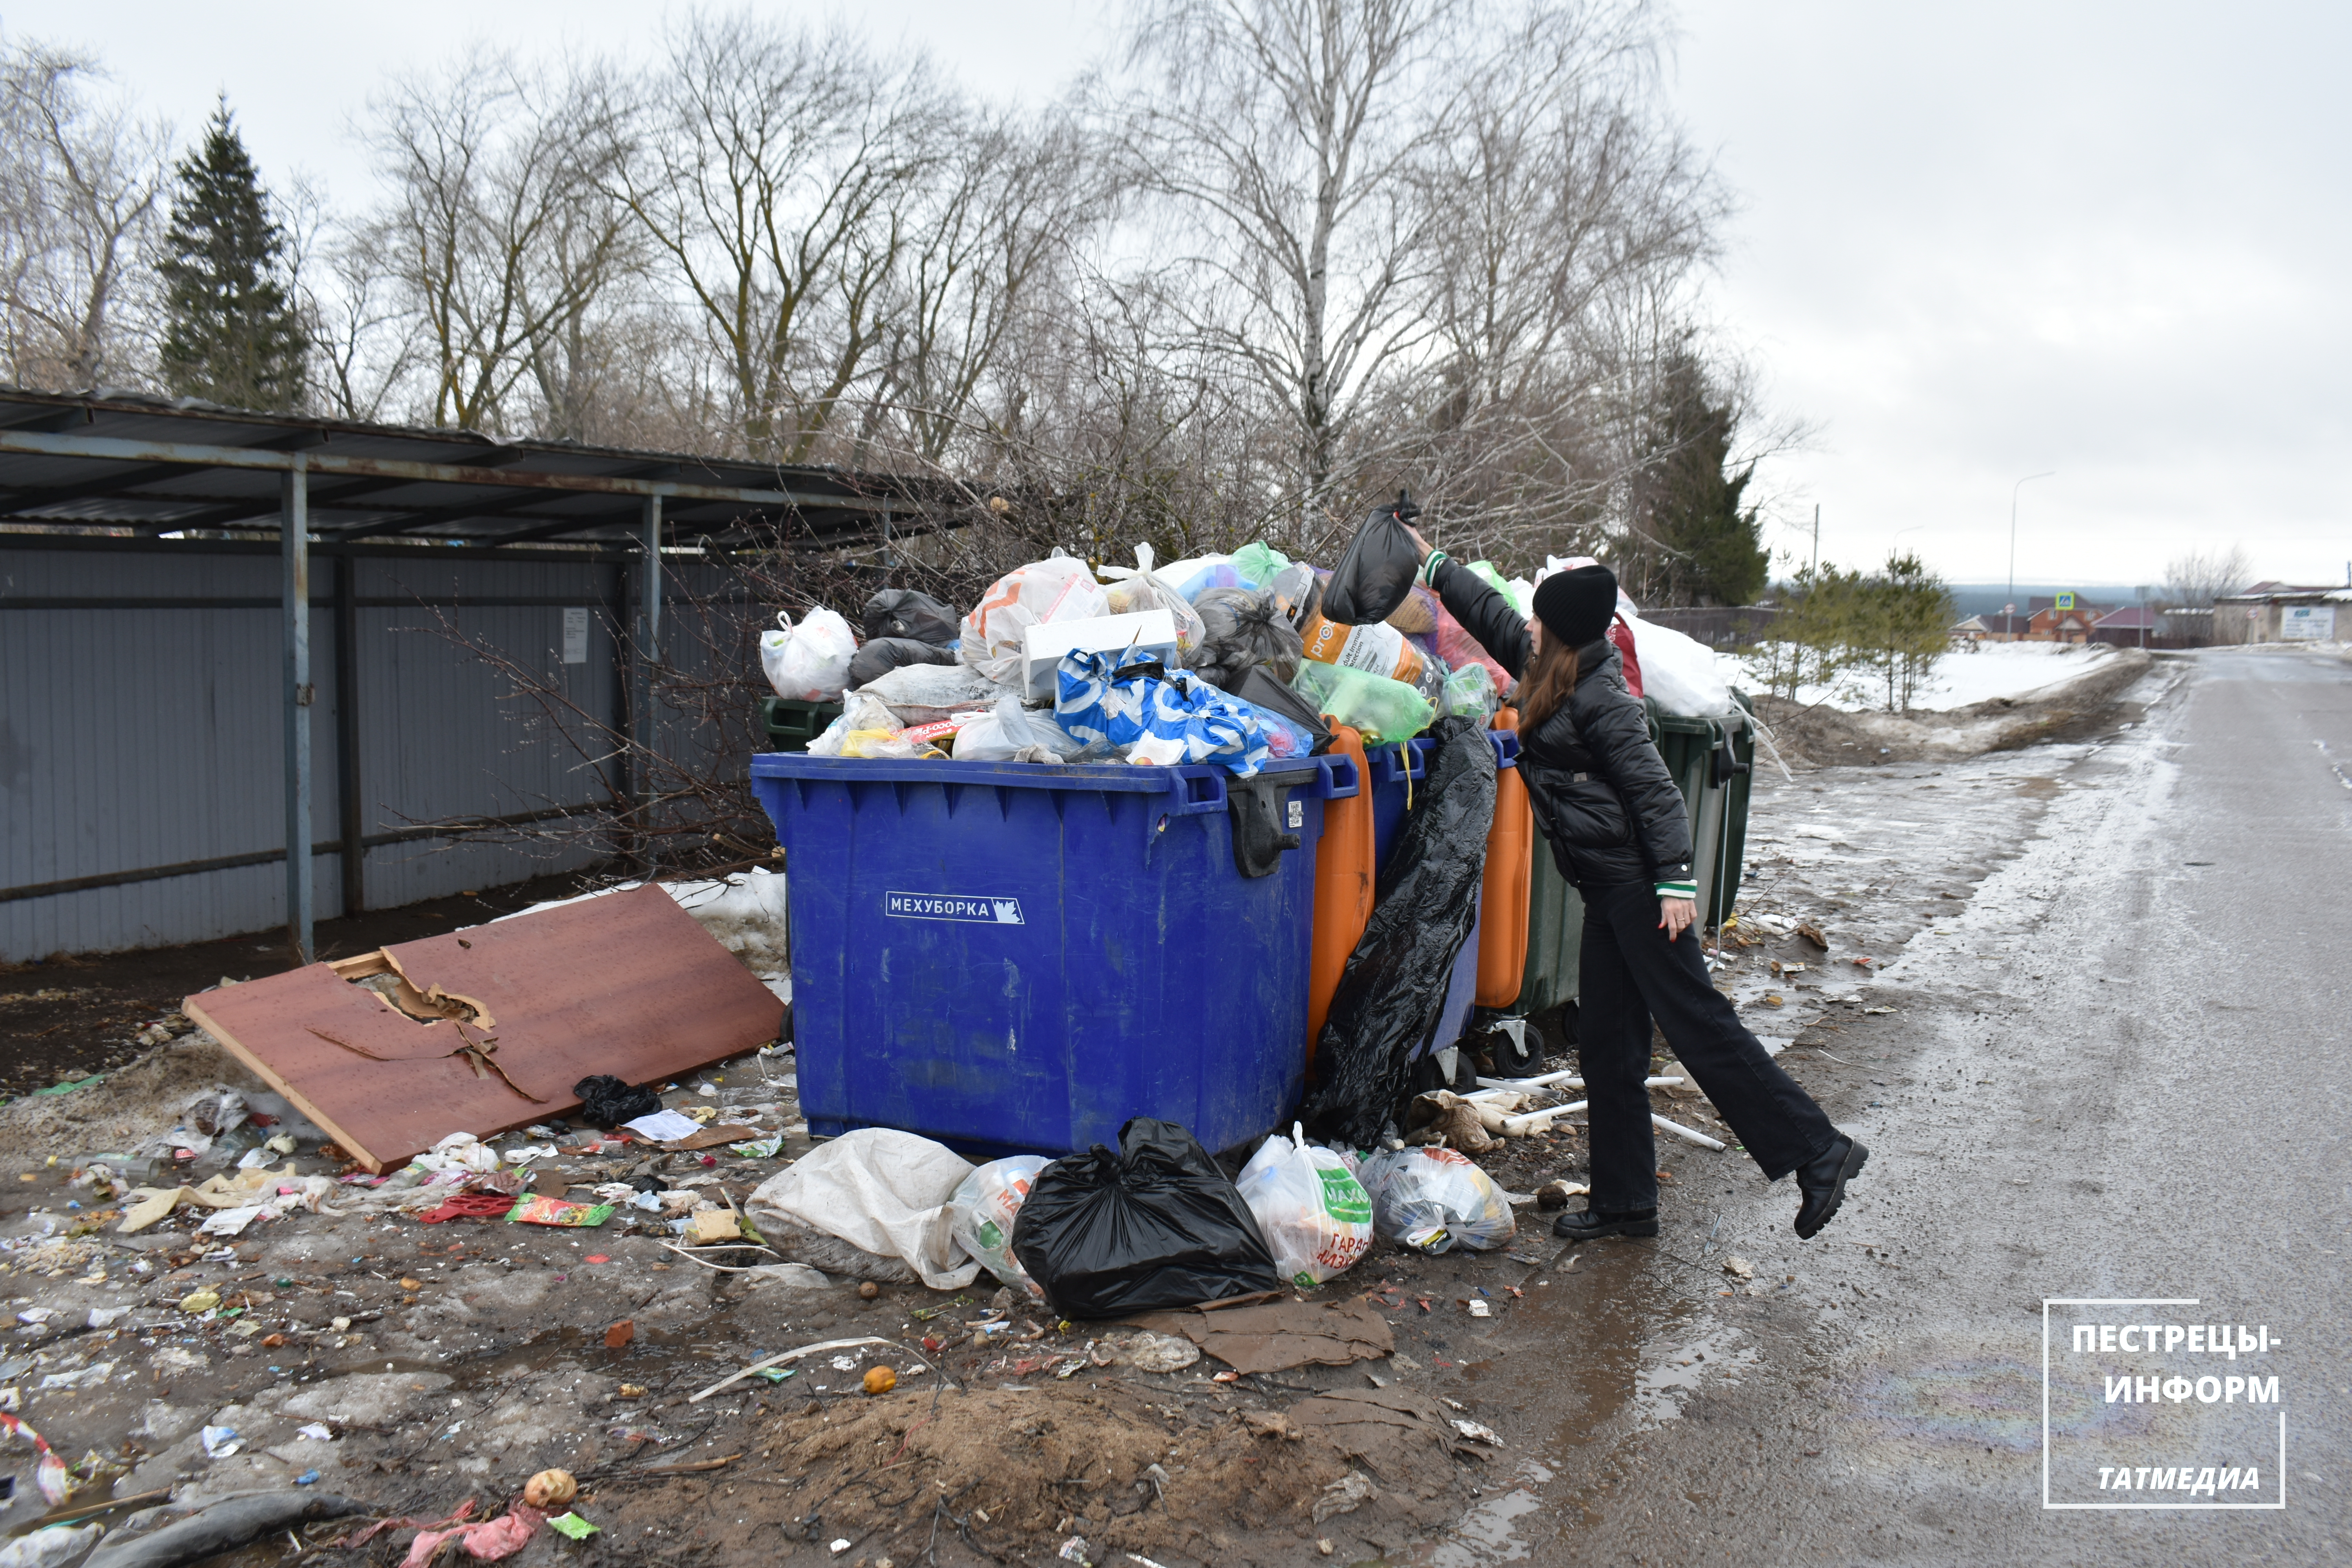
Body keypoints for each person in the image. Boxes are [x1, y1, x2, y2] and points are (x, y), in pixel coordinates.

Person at [1407, 535, 1867, 1241]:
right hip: (1603, 893)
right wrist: (1430, 561)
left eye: (1540, 619)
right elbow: (1489, 612)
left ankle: (1819, 1151)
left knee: (1702, 1029)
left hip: (1641, 894)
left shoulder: (1603, 698)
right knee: (1609, 1049)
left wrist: (1677, 881)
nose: (1528, 625)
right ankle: (1627, 1203)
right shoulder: (1548, 669)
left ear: (1561, 631)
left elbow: (1658, 793)